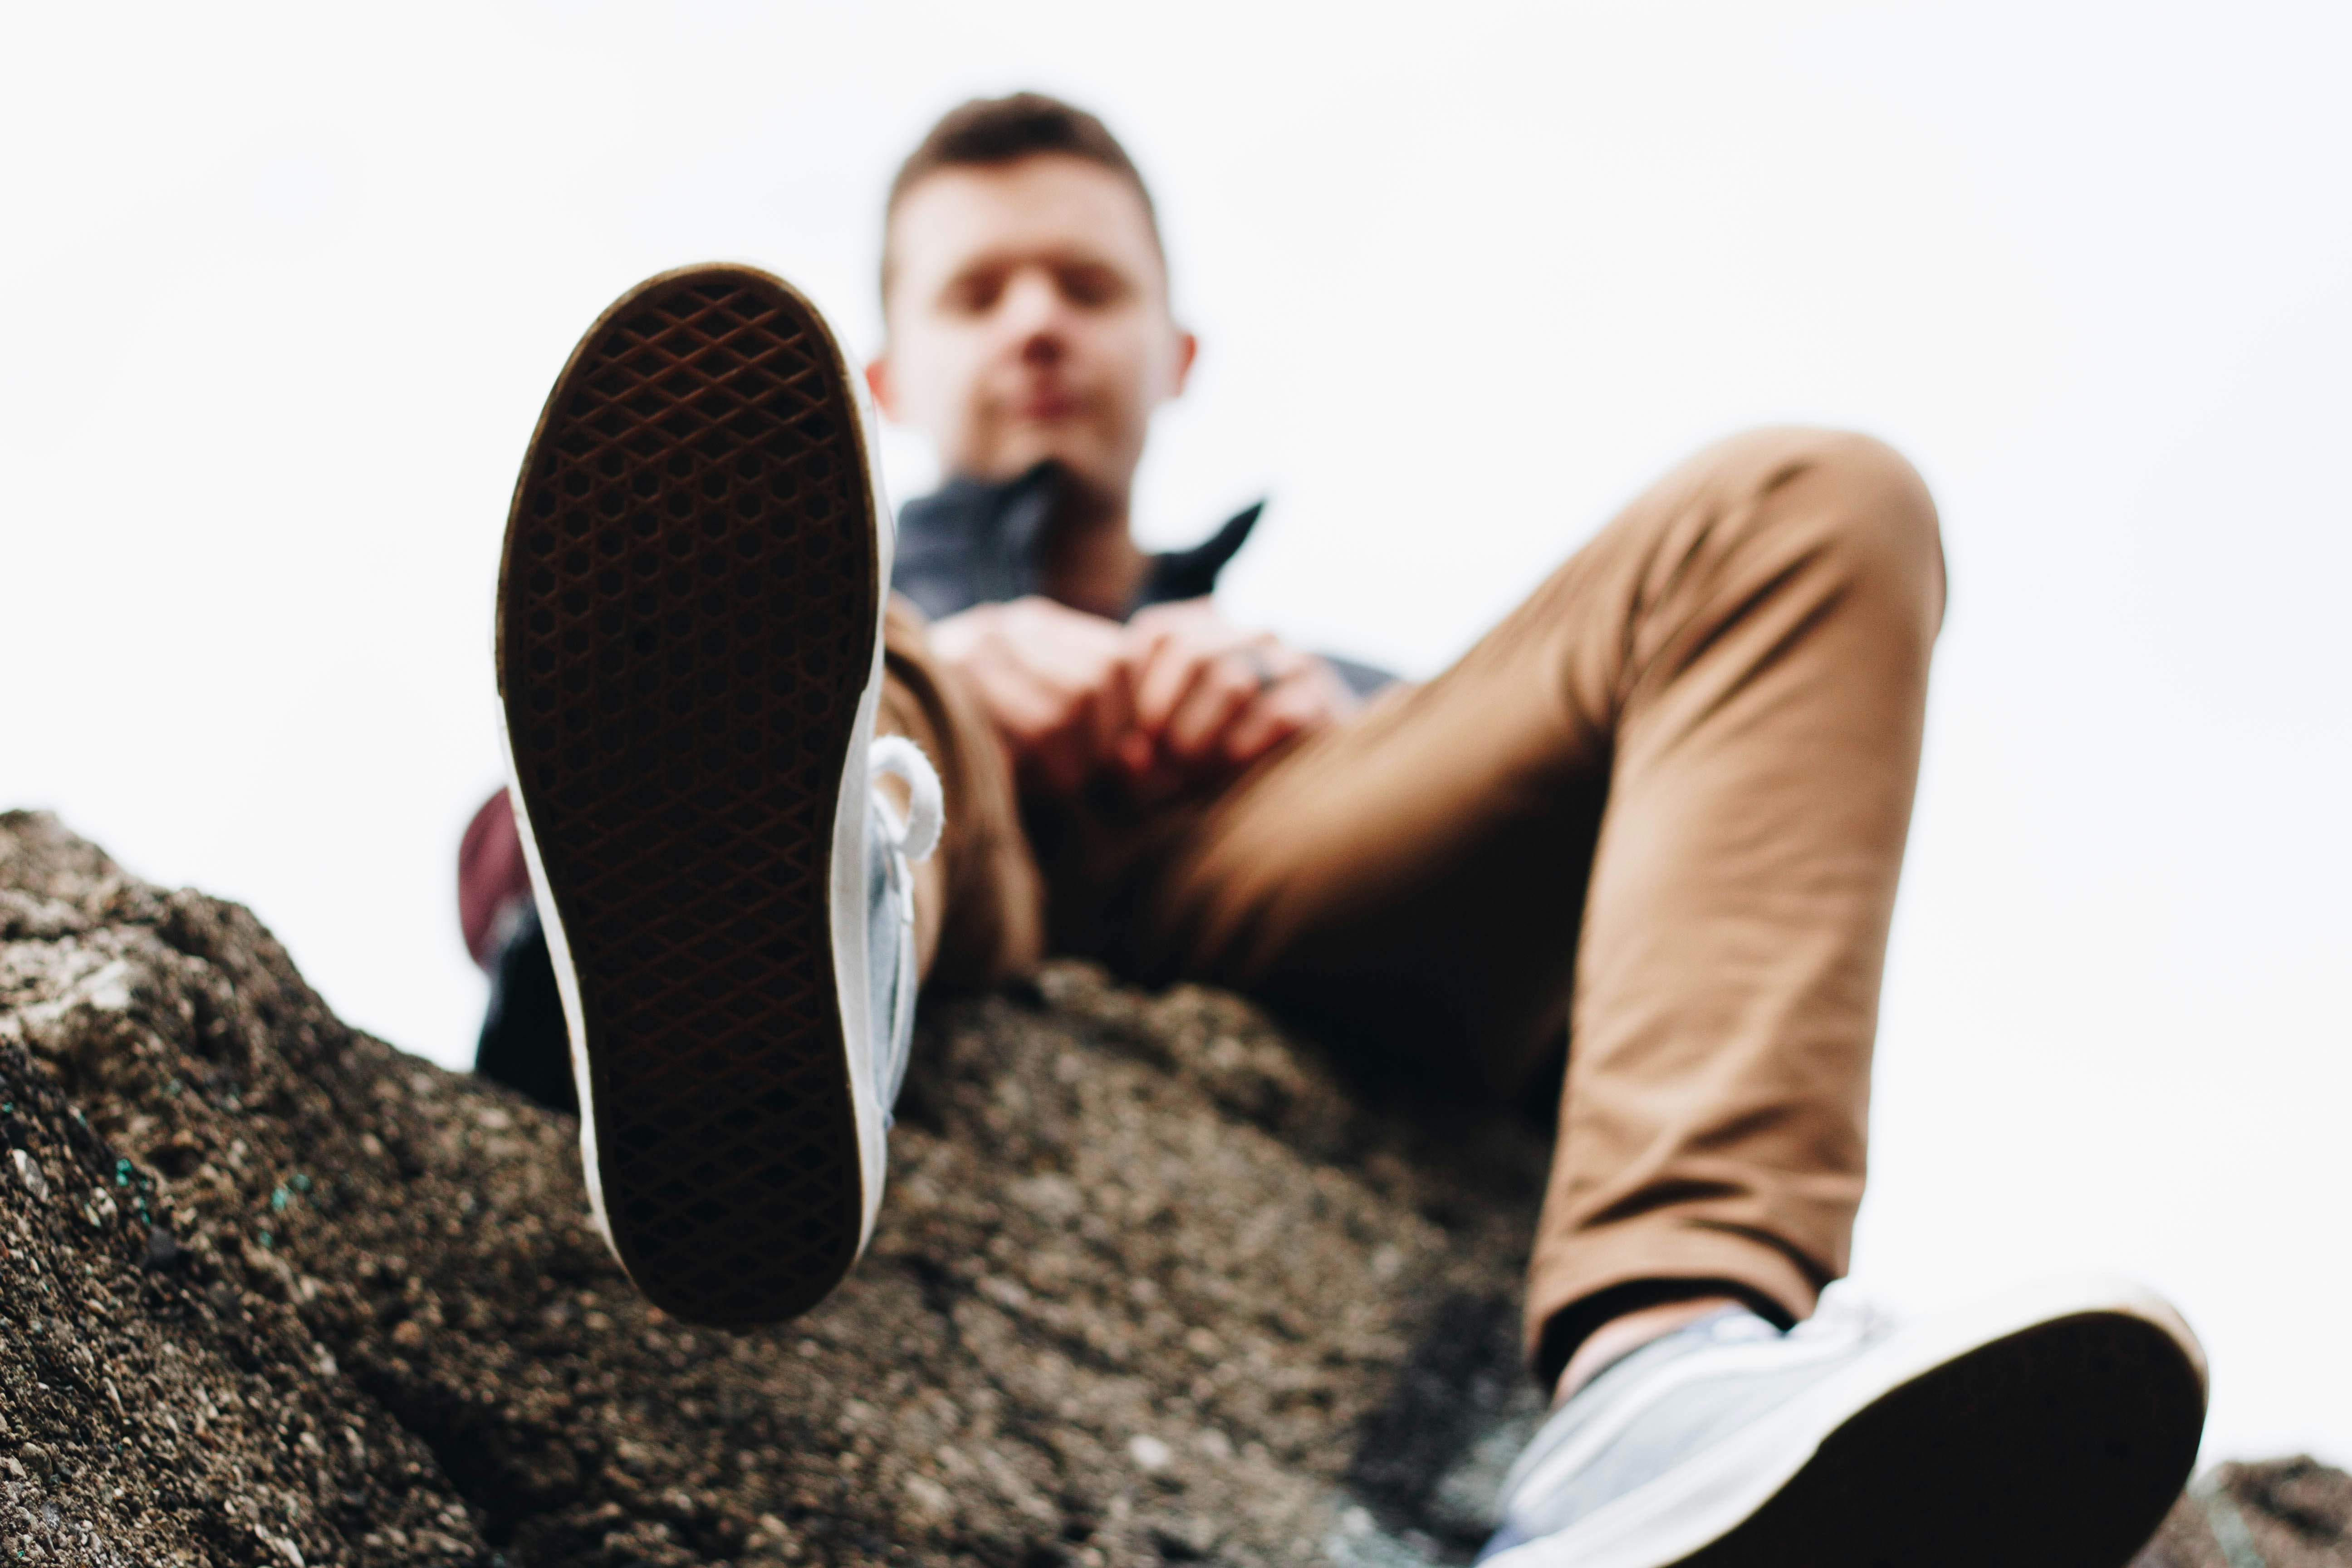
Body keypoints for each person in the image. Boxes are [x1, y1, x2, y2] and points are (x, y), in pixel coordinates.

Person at [469, 93, 2207, 1568]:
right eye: (979, 291)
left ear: (1177, 350)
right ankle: (808, 939)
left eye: (1086, 283)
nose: (1038, 324)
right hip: (946, 827)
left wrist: (1330, 721)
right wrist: (969, 678)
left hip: (1278, 863)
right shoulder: (768, 589)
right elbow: (515, 847)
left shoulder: (1307, 668)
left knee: (1814, 501)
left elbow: (1636, 911)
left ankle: (1666, 1381)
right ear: (893, 365)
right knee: (862, 658)